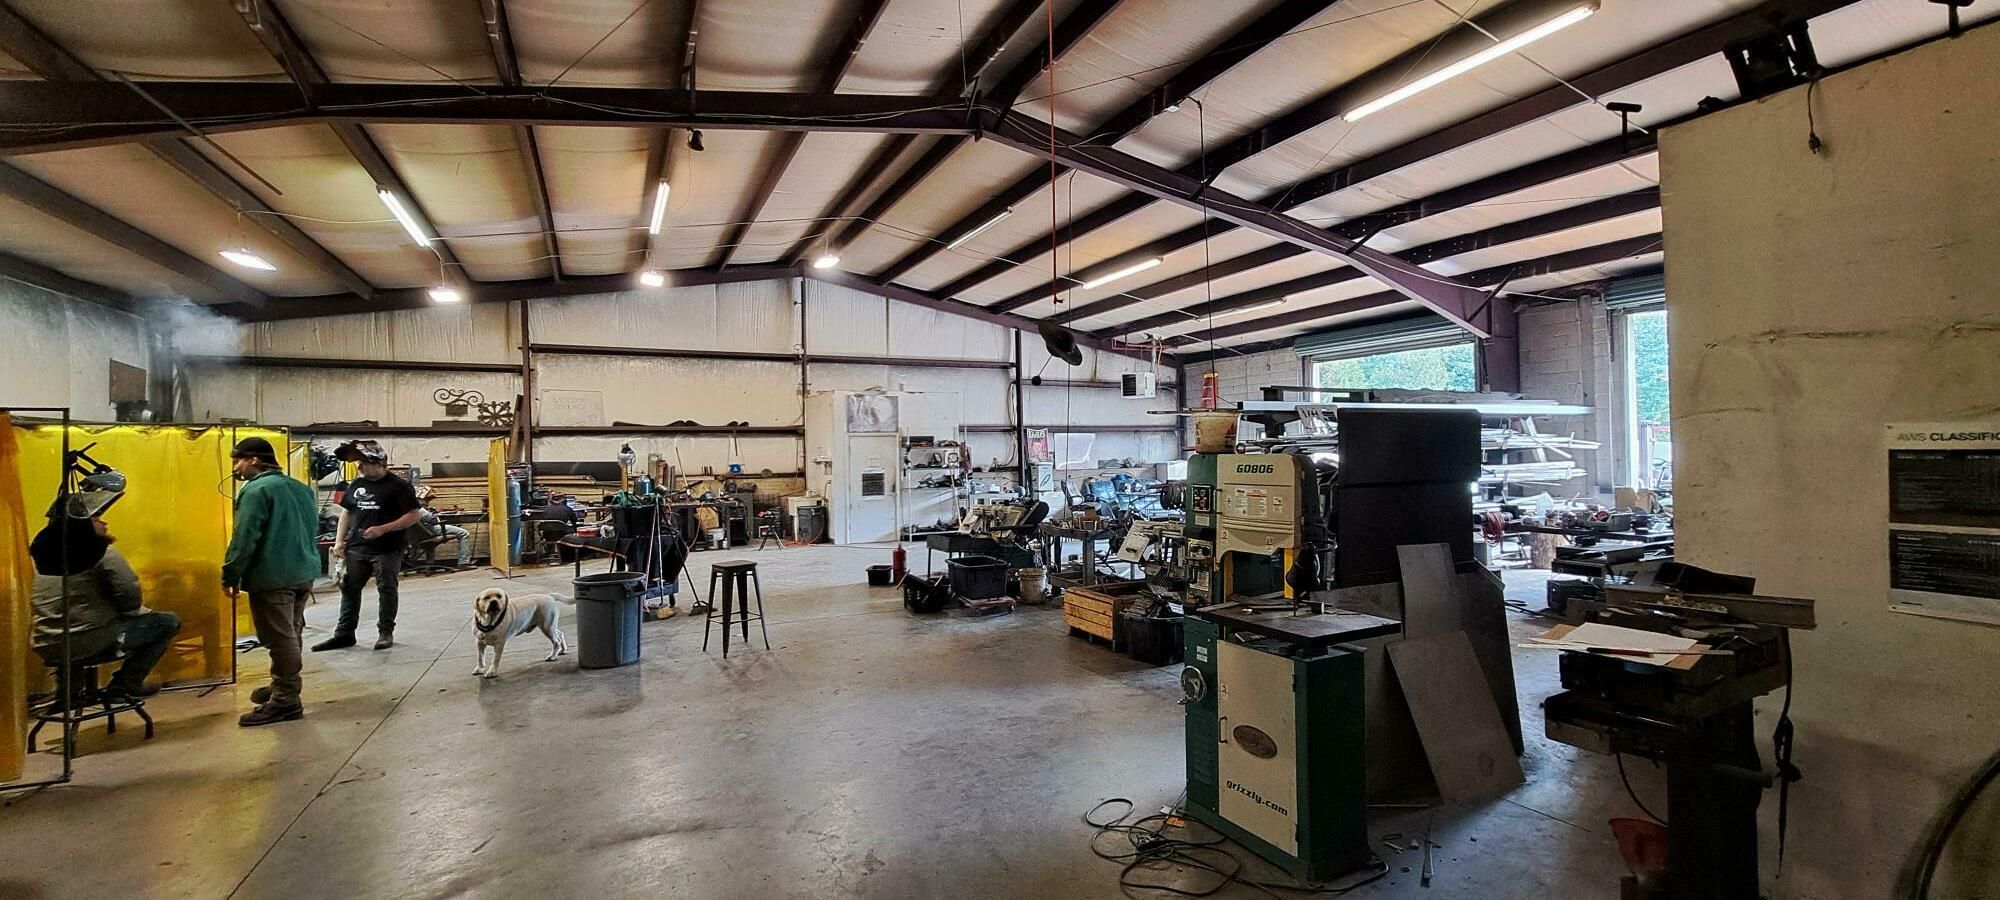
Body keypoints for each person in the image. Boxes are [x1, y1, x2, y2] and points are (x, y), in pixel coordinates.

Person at [28, 491, 182, 706]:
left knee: (72, 628)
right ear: (80, 524)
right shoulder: (100, 551)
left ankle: (69, 693)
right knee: (168, 621)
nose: (104, 523)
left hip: (46, 643)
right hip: (89, 641)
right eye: (96, 518)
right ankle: (125, 684)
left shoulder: (44, 554)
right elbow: (129, 596)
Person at [221, 437, 323, 727]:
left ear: (254, 460)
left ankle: (285, 700)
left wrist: (230, 573)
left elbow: (245, 537)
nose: (235, 468)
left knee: (278, 639)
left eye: (238, 461)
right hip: (303, 571)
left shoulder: (256, 490)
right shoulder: (301, 488)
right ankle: (283, 683)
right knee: (291, 632)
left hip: (272, 575)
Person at [315, 441, 420, 652]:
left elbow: (413, 515)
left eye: (363, 462)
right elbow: (346, 512)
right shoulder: (357, 484)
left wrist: (383, 529)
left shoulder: (398, 486)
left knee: (386, 589)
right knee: (349, 589)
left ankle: (385, 632)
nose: (359, 467)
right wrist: (339, 541)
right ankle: (344, 634)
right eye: (358, 463)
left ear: (379, 463)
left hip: (387, 548)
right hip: (357, 548)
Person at [416, 486, 474, 569]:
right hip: (432, 530)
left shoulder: (408, 509)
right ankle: (463, 563)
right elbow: (432, 520)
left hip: (422, 533)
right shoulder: (419, 509)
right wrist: (435, 514)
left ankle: (430, 563)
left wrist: (433, 510)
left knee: (454, 529)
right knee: (464, 533)